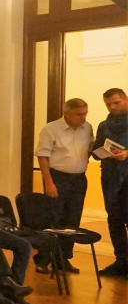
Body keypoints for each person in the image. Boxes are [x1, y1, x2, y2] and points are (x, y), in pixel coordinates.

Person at [35, 98, 94, 273]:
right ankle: (43, 258)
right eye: (78, 114)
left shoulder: (87, 128)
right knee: (53, 219)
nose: (83, 118)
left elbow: (89, 149)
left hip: (79, 179)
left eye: (85, 114)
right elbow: (42, 156)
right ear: (66, 113)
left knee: (72, 220)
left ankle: (63, 259)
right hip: (57, 177)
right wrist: (48, 182)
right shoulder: (51, 129)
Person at [95, 88, 128, 277]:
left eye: (117, 103)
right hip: (110, 179)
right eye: (108, 104)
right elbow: (96, 151)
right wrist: (104, 152)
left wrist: (127, 154)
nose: (113, 107)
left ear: (126, 100)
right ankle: (121, 262)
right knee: (114, 221)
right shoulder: (104, 126)